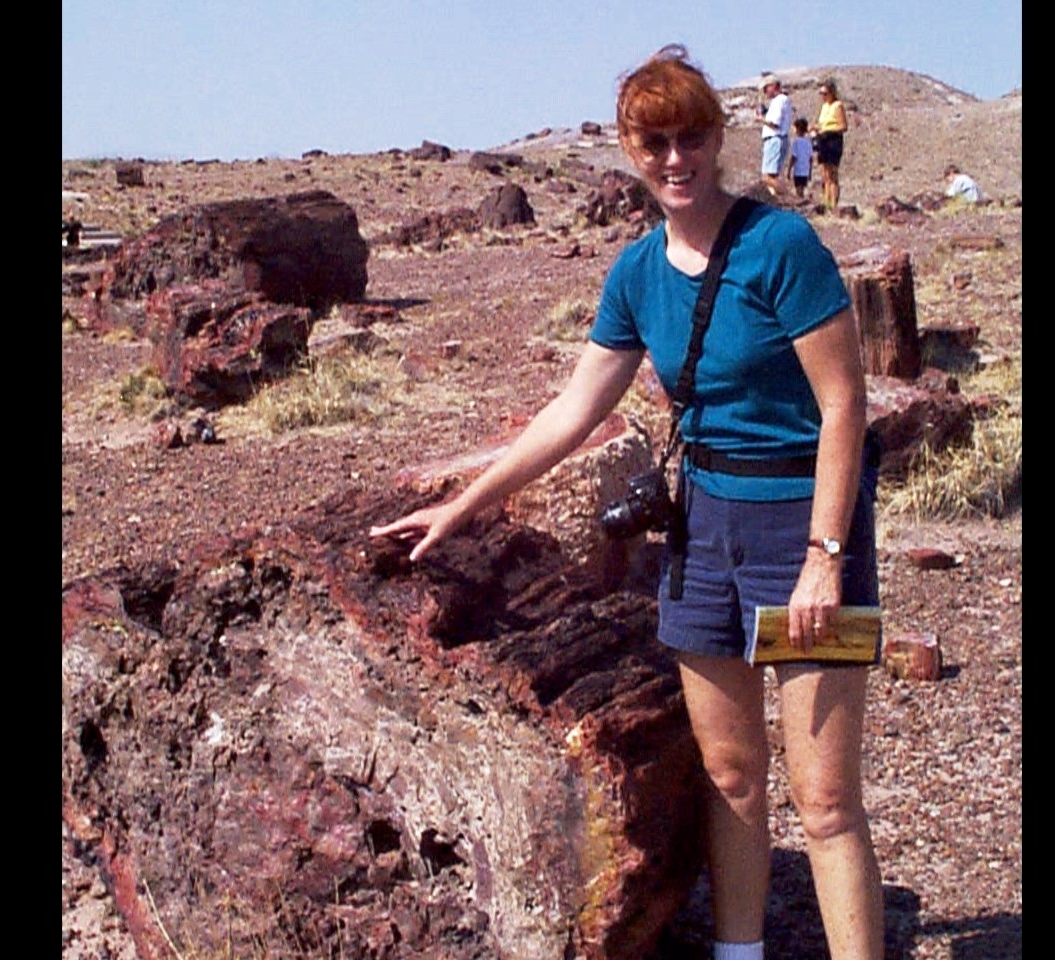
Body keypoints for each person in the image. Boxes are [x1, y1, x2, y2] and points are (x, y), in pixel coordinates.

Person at [370, 44, 884, 960]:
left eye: (690, 138)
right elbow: (573, 411)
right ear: (630, 151)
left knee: (826, 800)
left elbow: (845, 405)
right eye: (655, 144)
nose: (675, 159)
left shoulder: (781, 247)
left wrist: (824, 559)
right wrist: (463, 505)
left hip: (803, 521)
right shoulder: (638, 272)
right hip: (704, 526)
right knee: (730, 775)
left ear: (717, 140)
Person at [809, 79, 848, 209]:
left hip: (833, 140)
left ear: (832, 93)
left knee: (832, 174)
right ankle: (826, 202)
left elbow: (843, 126)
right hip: (822, 140)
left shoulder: (838, 106)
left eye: (825, 93)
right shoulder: (824, 107)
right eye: (821, 93)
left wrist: (827, 129)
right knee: (824, 174)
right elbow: (822, 124)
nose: (823, 96)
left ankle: (833, 204)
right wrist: (815, 128)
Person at [756, 74, 794, 196]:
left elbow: (775, 123)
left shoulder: (779, 100)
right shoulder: (779, 101)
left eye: (766, 88)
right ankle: (777, 198)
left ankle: (788, 195)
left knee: (767, 177)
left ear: (773, 86)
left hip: (775, 138)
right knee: (771, 176)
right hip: (775, 139)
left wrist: (761, 119)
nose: (765, 91)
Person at [789, 118, 814, 200]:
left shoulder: (796, 142)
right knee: (802, 188)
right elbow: (811, 159)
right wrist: (810, 172)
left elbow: (793, 157)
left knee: (798, 189)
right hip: (805, 170)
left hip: (798, 170)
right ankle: (802, 199)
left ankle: (800, 201)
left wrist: (789, 169)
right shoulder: (808, 142)